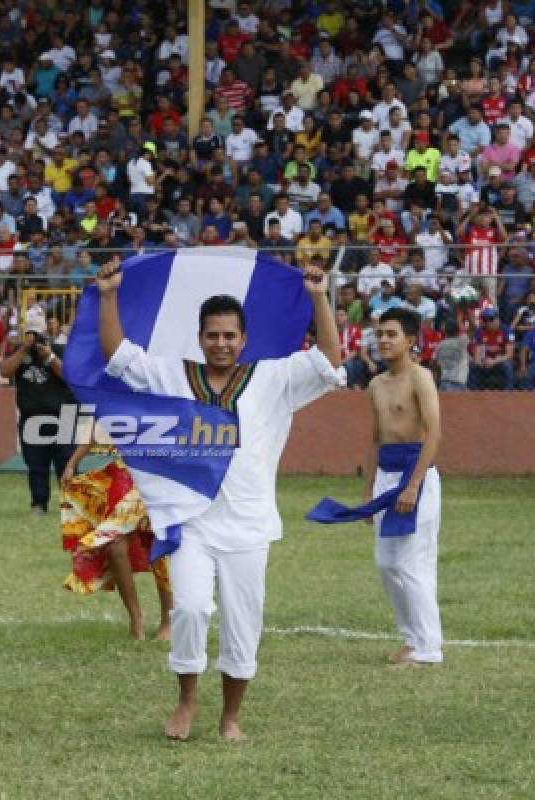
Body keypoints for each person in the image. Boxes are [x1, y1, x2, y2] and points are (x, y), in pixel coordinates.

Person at [96, 259, 342, 743]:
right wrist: (108, 294)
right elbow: (118, 354)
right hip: (191, 524)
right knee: (189, 609)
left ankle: (231, 715)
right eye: (213, 335)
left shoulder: (274, 379)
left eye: (230, 335)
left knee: (243, 625)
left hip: (249, 526)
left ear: (243, 339)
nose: (222, 343)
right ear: (200, 337)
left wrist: (319, 298)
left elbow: (329, 361)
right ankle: (186, 697)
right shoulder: (172, 375)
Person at [307, 308, 443, 667]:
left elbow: (433, 433)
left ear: (411, 341)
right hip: (386, 475)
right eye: (380, 333)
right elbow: (375, 440)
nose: (383, 340)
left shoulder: (421, 378)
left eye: (391, 334)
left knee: (413, 562)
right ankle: (412, 638)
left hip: (416, 474)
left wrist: (413, 484)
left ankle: (429, 648)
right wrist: (368, 492)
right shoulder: (375, 385)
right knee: (386, 562)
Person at [59, 438, 173, 641]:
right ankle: (136, 617)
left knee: (159, 544)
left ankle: (168, 619)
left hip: (162, 475)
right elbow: (98, 423)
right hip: (124, 477)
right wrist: (71, 464)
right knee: (114, 546)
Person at [0, 325, 76, 515]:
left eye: (37, 334)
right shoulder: (20, 353)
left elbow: (70, 377)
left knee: (66, 463)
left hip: (63, 416)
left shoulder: (60, 350)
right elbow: (4, 372)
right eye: (30, 334)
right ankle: (38, 504)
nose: (34, 338)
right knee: (36, 465)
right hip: (32, 418)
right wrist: (23, 349)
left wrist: (49, 357)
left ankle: (71, 505)